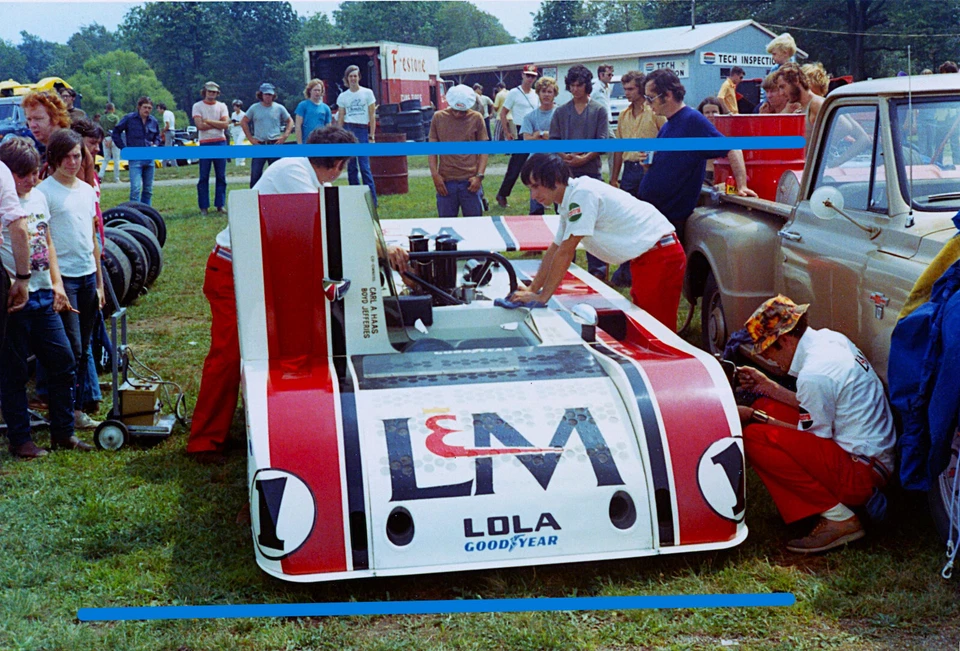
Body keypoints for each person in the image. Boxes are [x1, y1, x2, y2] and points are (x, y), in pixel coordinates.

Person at [187, 126, 407, 464]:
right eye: (344, 163)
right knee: (229, 354)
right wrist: (382, 249)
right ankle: (204, 441)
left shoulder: (312, 176)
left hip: (257, 270)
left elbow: (338, 223)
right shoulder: (294, 173)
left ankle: (280, 419)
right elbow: (325, 230)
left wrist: (378, 243)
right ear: (338, 162)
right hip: (233, 271)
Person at [736, 295, 896, 553]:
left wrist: (755, 418)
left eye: (767, 350)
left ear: (785, 339)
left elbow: (813, 437)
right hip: (870, 455)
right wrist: (767, 388)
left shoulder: (814, 374)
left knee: (756, 438)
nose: (769, 360)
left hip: (863, 473)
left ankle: (840, 518)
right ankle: (829, 510)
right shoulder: (829, 339)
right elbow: (817, 407)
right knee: (765, 406)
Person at [511, 153, 685, 332]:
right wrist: (533, 289)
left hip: (660, 254)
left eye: (536, 187)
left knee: (657, 333)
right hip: (649, 255)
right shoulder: (570, 199)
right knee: (644, 328)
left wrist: (542, 297)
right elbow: (555, 249)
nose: (533, 195)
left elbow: (566, 252)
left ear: (554, 178)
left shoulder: (582, 194)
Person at [0, 137, 83, 459]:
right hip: (13, 301)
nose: (31, 181)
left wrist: (57, 284)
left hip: (43, 294)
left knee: (63, 360)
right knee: (14, 373)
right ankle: (21, 440)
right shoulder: (5, 201)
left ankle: (63, 432)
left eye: (35, 173)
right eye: (23, 176)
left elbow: (47, 243)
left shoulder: (38, 198)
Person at [637, 69, 757, 240]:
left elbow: (733, 148)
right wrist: (648, 164)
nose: (648, 103)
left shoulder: (692, 120)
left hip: (673, 219)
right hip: (656, 214)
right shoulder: (668, 124)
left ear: (668, 95)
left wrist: (742, 185)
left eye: (651, 98)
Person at [37, 129, 104, 435]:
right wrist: (56, 284)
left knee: (84, 345)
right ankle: (64, 412)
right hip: (63, 280)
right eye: (65, 157)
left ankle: (72, 409)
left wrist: (100, 283)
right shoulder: (44, 193)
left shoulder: (87, 190)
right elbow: (44, 242)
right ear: (53, 159)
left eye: (77, 155)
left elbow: (92, 240)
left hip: (88, 275)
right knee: (70, 350)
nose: (72, 162)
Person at [549, 64, 609, 280]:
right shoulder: (561, 111)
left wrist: (585, 157)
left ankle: (598, 271)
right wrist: (563, 155)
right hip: (565, 175)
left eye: (579, 85)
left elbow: (603, 141)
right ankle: (566, 266)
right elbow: (553, 140)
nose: (575, 89)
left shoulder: (598, 110)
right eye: (572, 85)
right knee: (566, 221)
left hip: (591, 172)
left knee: (593, 222)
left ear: (587, 86)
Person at [428, 85, 489, 218]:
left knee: (474, 225)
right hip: (446, 182)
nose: (458, 114)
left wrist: (479, 176)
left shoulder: (476, 118)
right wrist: (435, 176)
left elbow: (484, 150)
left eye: (463, 111)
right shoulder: (438, 118)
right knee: (446, 227)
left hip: (470, 182)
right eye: (455, 110)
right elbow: (432, 150)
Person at [23, 91, 97, 187]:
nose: (32, 125)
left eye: (38, 119)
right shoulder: (54, 147)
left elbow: (72, 192)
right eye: (29, 119)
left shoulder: (70, 148)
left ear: (56, 118)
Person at [610, 70, 666, 199]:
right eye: (625, 89)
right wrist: (614, 178)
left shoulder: (654, 112)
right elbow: (619, 149)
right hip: (629, 169)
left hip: (650, 167)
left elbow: (666, 138)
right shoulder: (623, 115)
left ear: (641, 88)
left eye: (630, 89)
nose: (626, 93)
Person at [495, 64, 539, 208]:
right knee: (515, 167)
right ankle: (502, 194)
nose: (530, 79)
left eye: (532, 76)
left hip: (535, 131)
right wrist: (507, 132)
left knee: (538, 167)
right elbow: (503, 112)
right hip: (521, 131)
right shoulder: (514, 93)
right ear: (522, 75)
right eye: (528, 75)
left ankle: (539, 197)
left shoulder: (536, 93)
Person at [336, 66, 378, 206]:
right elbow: (341, 117)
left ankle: (372, 200)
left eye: (355, 76)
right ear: (347, 79)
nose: (353, 79)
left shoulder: (367, 93)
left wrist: (371, 135)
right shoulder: (343, 96)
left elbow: (372, 115)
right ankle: (356, 200)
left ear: (359, 77)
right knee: (351, 167)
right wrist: (339, 135)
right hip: (348, 130)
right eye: (350, 76)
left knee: (365, 167)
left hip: (362, 130)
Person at [241, 83, 294, 188]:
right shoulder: (254, 108)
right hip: (259, 145)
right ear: (261, 95)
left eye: (270, 95)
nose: (268, 97)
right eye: (266, 95)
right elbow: (244, 121)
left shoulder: (279, 108)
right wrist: (250, 138)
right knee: (256, 174)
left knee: (277, 173)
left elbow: (290, 121)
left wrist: (285, 136)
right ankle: (254, 197)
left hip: (274, 144)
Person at [520, 76, 559, 215]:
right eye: (543, 91)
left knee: (559, 201)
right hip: (535, 161)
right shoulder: (529, 117)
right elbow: (527, 140)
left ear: (555, 93)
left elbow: (561, 138)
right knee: (536, 203)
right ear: (538, 93)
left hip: (556, 160)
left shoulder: (560, 114)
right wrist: (540, 135)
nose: (546, 95)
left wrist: (538, 135)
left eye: (550, 91)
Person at [112, 96, 162, 205]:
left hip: (149, 157)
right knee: (135, 188)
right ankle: (135, 213)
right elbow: (116, 132)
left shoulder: (153, 121)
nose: (147, 110)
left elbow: (158, 136)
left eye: (149, 108)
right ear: (139, 107)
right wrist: (123, 147)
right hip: (135, 157)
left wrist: (156, 144)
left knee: (148, 190)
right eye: (145, 107)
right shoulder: (129, 119)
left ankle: (146, 212)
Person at [192, 81, 230, 215]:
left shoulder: (222, 106)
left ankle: (220, 204)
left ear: (217, 93)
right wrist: (217, 124)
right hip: (205, 142)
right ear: (205, 92)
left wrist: (208, 121)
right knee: (204, 176)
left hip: (220, 142)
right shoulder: (197, 106)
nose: (211, 94)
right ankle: (203, 206)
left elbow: (226, 125)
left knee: (221, 175)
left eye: (214, 92)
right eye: (209, 91)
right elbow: (199, 126)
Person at [777, 63, 824, 147]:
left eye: (783, 87)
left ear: (796, 80)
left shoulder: (816, 104)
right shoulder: (799, 109)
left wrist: (839, 159)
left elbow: (850, 129)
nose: (781, 93)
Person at [591, 63, 617, 179]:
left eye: (612, 74)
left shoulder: (607, 88)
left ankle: (610, 176)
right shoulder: (595, 88)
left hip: (606, 121)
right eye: (608, 74)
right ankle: (612, 177)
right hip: (598, 121)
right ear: (601, 75)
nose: (611, 77)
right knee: (614, 146)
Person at [295, 79, 333, 145]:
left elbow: (329, 128)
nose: (317, 92)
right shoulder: (303, 105)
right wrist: (299, 144)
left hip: (321, 143)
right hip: (306, 142)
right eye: (315, 90)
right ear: (310, 91)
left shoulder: (326, 108)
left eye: (319, 90)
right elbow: (298, 126)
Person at [99, 102, 121, 182]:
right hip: (114, 139)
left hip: (105, 139)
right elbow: (117, 130)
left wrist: (104, 139)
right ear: (113, 109)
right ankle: (116, 178)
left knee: (106, 159)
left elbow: (100, 130)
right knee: (116, 160)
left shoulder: (102, 118)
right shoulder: (115, 118)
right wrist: (112, 139)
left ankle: (100, 175)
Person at [157, 102, 178, 168]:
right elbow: (174, 123)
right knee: (169, 149)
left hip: (168, 132)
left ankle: (165, 165)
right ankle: (171, 164)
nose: (158, 110)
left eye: (158, 109)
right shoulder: (170, 112)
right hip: (173, 131)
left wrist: (162, 132)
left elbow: (167, 125)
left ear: (161, 109)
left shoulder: (165, 114)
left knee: (167, 150)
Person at [229, 100, 247, 166]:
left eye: (237, 106)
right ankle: (237, 161)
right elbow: (232, 121)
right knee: (237, 144)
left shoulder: (243, 114)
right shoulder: (233, 114)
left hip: (241, 130)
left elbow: (243, 122)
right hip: (234, 130)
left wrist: (237, 123)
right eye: (234, 106)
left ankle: (242, 160)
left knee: (239, 143)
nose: (235, 108)